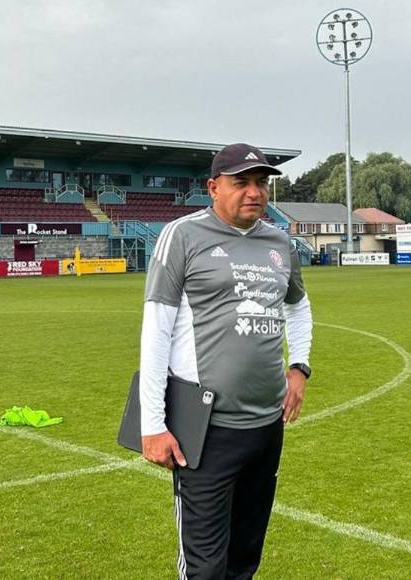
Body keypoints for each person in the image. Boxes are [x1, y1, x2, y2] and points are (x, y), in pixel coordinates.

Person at [139, 142, 313, 579]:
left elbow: (299, 305)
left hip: (266, 425)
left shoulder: (279, 241)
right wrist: (152, 425)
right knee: (204, 566)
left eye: (261, 182)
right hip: (206, 429)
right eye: (241, 182)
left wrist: (300, 367)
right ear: (213, 187)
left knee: (245, 556)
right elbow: (156, 329)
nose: (254, 192)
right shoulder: (182, 236)